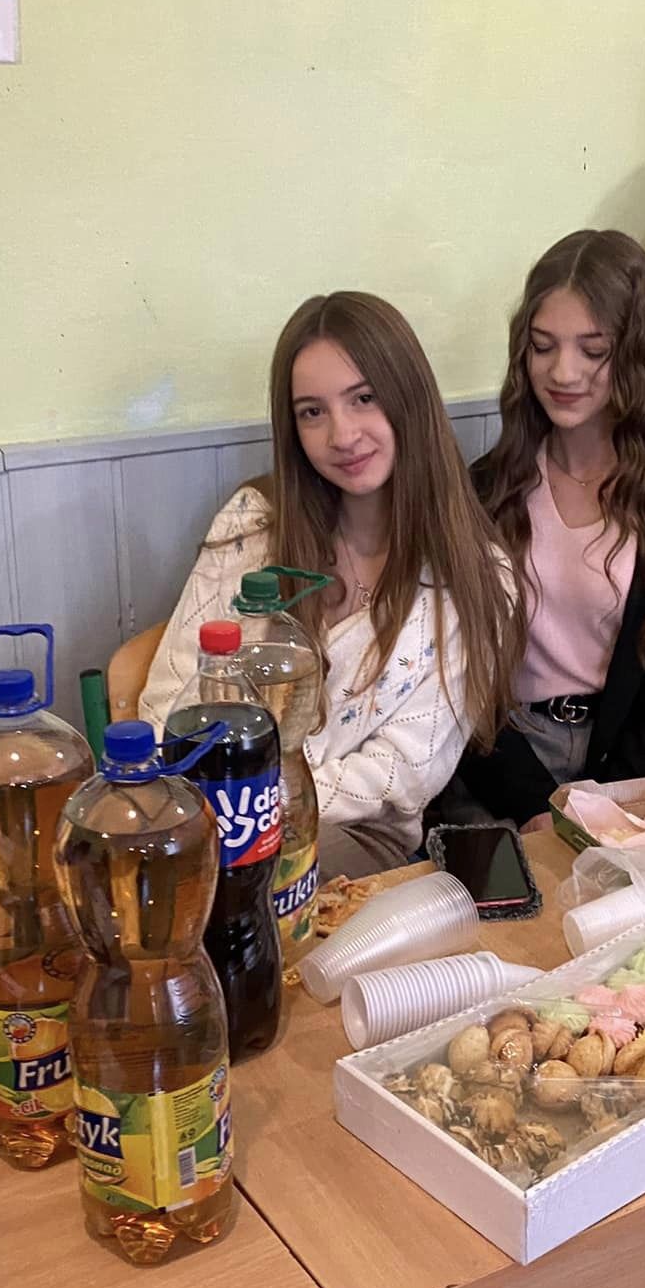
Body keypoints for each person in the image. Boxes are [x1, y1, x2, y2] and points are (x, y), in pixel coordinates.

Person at [139, 293, 522, 879]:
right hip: (204, 811)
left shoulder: (477, 578)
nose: (342, 434)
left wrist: (261, 803)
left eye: (364, 399)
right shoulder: (253, 526)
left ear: (409, 400)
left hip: (352, 832)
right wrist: (207, 805)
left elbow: (404, 772)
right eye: (312, 412)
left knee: (244, 883)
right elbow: (171, 695)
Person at [451, 231, 645, 832]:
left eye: (593, 350)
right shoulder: (486, 489)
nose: (562, 371)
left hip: (623, 767)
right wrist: (536, 806)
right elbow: (461, 679)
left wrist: (601, 812)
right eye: (542, 346)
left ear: (637, 356)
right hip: (500, 758)